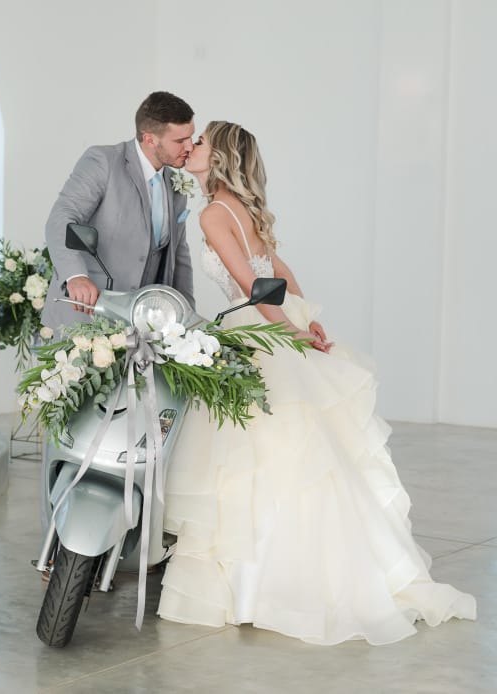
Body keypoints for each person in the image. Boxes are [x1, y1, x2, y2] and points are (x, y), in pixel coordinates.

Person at [157, 120, 476, 645]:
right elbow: (281, 272)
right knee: (292, 451)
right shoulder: (245, 210)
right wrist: (303, 318)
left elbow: (253, 284)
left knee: (254, 457)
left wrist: (291, 331)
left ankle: (261, 585)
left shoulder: (214, 213)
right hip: (273, 323)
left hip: (256, 329)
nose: (192, 148)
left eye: (201, 142)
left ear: (220, 157)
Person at [41, 91, 196, 333]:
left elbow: (179, 256)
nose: (190, 146)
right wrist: (75, 276)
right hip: (84, 318)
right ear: (150, 139)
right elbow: (62, 217)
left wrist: (188, 318)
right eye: (180, 141)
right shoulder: (104, 161)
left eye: (191, 137)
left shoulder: (175, 187)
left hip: (141, 329)